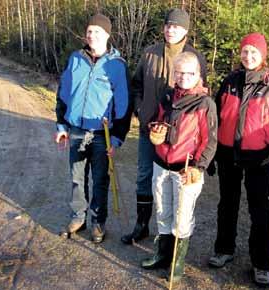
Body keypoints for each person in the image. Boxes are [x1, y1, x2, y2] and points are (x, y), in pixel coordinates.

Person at [207, 32, 269, 287]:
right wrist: (210, 152)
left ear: (263, 55)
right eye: (245, 51)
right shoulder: (230, 81)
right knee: (227, 205)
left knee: (261, 211)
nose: (248, 56)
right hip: (227, 155)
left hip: (259, 158)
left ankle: (261, 263)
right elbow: (216, 118)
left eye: (254, 52)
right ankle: (224, 249)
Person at [121, 8, 207, 245]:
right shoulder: (149, 54)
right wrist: (140, 110)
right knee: (144, 176)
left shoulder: (195, 57)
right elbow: (136, 86)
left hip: (180, 136)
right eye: (168, 25)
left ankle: (171, 236)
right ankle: (141, 225)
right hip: (150, 129)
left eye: (177, 27)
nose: (171, 30)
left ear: (185, 31)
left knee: (175, 184)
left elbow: (201, 94)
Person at [140, 52, 217, 283]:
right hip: (161, 164)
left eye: (189, 73)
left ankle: (177, 262)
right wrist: (155, 130)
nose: (183, 77)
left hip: (187, 169)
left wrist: (198, 167)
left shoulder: (205, 103)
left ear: (198, 75)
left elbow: (210, 140)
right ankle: (162, 254)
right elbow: (159, 121)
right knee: (163, 211)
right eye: (179, 72)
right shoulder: (167, 96)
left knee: (181, 217)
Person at [55, 14, 130, 243]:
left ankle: (98, 222)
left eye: (97, 31)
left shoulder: (117, 65)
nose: (92, 35)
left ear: (107, 35)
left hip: (102, 133)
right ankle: (78, 217)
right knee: (77, 178)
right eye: (89, 31)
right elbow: (63, 94)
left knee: (100, 180)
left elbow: (124, 105)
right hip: (77, 129)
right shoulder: (75, 59)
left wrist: (116, 138)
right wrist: (61, 124)